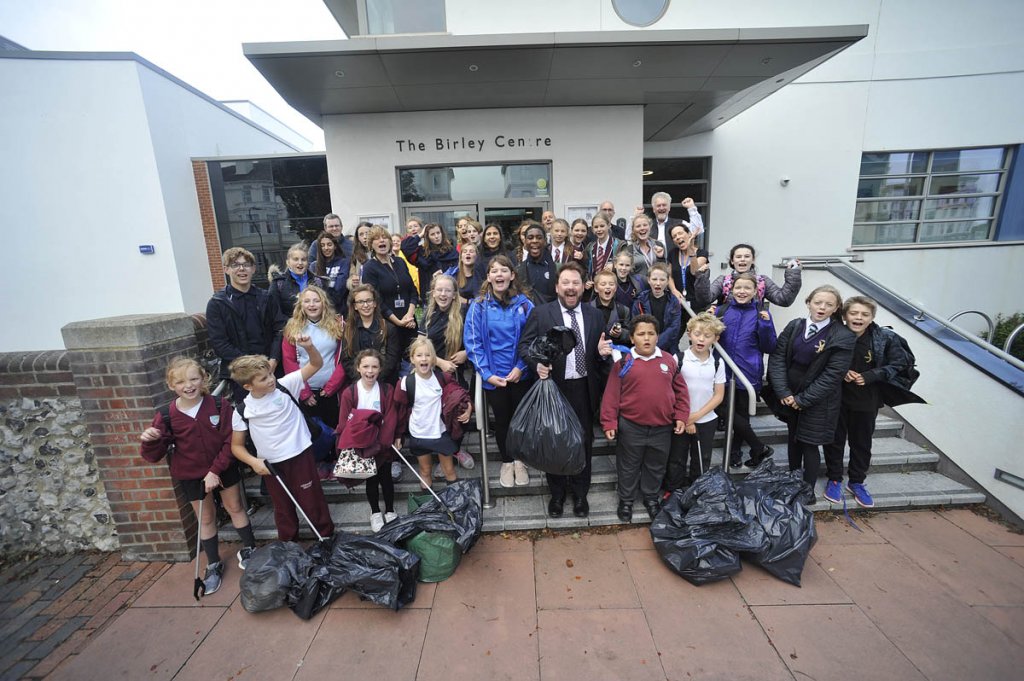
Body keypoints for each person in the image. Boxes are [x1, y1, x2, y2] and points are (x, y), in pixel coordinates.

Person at [140, 358, 256, 594]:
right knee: (205, 518)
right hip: (191, 475)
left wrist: (215, 470)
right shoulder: (166, 415)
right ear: (171, 385)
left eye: (194, 379)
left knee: (235, 507)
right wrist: (151, 441)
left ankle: (250, 549)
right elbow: (153, 455)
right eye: (181, 381)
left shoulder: (219, 405)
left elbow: (229, 441)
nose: (189, 385)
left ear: (204, 378)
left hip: (223, 468)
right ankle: (213, 564)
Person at [519, 262, 613, 518]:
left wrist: (604, 355)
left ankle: (581, 495)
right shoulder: (541, 313)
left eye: (576, 283)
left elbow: (600, 352)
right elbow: (525, 346)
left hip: (584, 388)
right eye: (566, 283)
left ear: (583, 287)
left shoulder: (595, 315)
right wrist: (537, 364)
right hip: (554, 388)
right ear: (557, 286)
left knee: (583, 443)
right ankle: (558, 495)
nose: (571, 288)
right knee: (555, 443)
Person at [822, 296, 924, 508]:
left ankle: (857, 482)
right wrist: (841, 372)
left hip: (867, 400)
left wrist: (871, 375)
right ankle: (834, 479)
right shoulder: (834, 333)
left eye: (864, 314)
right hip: (836, 398)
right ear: (844, 315)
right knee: (834, 440)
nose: (858, 318)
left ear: (872, 317)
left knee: (861, 442)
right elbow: (819, 361)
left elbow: (901, 363)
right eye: (854, 313)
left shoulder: (884, 337)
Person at [229, 342, 335, 542]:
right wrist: (253, 462)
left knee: (312, 501)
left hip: (300, 456)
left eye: (270, 374)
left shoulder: (285, 386)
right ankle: (288, 546)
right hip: (270, 465)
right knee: (283, 507)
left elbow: (316, 364)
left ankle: (326, 539)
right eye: (263, 378)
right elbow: (236, 445)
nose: (270, 380)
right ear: (248, 386)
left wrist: (310, 347)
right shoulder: (243, 410)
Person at [601, 315, 689, 522]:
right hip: (631, 427)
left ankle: (651, 497)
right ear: (632, 338)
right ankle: (626, 500)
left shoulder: (668, 360)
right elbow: (611, 395)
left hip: (662, 427)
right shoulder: (624, 362)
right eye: (641, 334)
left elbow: (681, 392)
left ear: (657, 337)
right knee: (628, 465)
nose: (646, 338)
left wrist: (681, 416)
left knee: (656, 464)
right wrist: (609, 422)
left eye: (651, 334)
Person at [767, 285, 855, 490]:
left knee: (809, 443)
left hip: (818, 400)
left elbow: (832, 375)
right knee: (793, 439)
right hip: (790, 394)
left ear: (836, 308)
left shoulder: (843, 335)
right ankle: (792, 480)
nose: (822, 307)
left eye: (829, 304)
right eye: (818, 302)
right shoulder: (794, 325)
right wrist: (784, 392)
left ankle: (807, 489)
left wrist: (802, 400)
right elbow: (778, 358)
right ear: (808, 303)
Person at [464, 255, 535, 488]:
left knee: (521, 421)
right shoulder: (478, 306)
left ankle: (520, 461)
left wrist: (520, 367)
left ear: (512, 275)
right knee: (502, 420)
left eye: (504, 270)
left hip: (520, 374)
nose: (499, 275)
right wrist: (486, 373)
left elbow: (533, 339)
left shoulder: (525, 305)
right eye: (494, 271)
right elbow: (473, 343)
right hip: (494, 377)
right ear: (488, 277)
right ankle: (507, 461)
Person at [322, 284, 403, 480]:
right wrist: (362, 378)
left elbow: (392, 358)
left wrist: (374, 377)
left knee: (387, 423)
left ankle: (392, 459)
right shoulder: (349, 330)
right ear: (355, 306)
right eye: (360, 302)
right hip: (359, 387)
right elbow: (347, 359)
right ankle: (364, 457)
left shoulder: (388, 328)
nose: (365, 305)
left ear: (375, 303)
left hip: (384, 387)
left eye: (368, 300)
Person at [714, 273, 777, 468]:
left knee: (741, 413)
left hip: (747, 371)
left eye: (747, 288)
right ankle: (758, 447)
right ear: (731, 290)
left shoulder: (761, 313)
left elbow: (769, 346)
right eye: (738, 287)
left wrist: (766, 325)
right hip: (722, 370)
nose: (742, 291)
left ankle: (734, 452)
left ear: (755, 291)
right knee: (723, 408)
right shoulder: (721, 310)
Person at [207, 247, 285, 404]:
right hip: (242, 374)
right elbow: (219, 343)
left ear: (254, 269)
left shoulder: (266, 297)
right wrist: (251, 366)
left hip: (271, 368)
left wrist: (274, 359)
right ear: (226, 269)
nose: (242, 269)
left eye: (246, 264)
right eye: (235, 264)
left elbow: (280, 329)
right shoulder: (217, 303)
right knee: (250, 418)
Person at [394, 338, 473, 492]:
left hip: (440, 431)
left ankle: (454, 504)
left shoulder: (442, 378)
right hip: (419, 433)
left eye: (427, 355)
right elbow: (400, 411)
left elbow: (461, 395)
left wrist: (469, 407)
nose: (423, 359)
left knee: (449, 470)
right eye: (419, 355)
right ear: (412, 359)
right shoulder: (405, 383)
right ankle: (429, 508)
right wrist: (398, 435)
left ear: (434, 359)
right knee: (425, 471)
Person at [336, 349, 399, 531]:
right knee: (371, 480)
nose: (370, 371)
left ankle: (390, 510)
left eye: (374, 367)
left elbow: (391, 417)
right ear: (358, 368)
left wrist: (385, 442)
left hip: (382, 444)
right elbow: (344, 422)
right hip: (361, 444)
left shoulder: (387, 390)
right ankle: (375, 512)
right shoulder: (350, 393)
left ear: (380, 369)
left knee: (386, 478)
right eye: (365, 366)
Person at [663, 313, 726, 493]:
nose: (701, 339)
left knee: (701, 458)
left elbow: (719, 395)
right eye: (698, 334)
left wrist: (695, 417)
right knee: (677, 457)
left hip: (706, 419)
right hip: (680, 418)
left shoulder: (717, 362)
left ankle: (697, 492)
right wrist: (685, 418)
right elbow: (670, 390)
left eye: (707, 336)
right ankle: (673, 491)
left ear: (716, 338)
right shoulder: (678, 359)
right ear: (689, 334)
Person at [422, 273, 476, 472]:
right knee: (437, 415)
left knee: (460, 411)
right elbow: (418, 347)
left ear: (454, 294)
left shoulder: (465, 312)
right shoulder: (427, 315)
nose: (443, 294)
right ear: (433, 292)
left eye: (447, 290)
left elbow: (477, 339)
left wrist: (466, 353)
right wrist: (439, 362)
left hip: (457, 373)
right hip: (431, 372)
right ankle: (445, 454)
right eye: (439, 290)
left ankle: (456, 450)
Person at [280, 286, 346, 433]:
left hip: (331, 391)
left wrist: (331, 387)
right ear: (301, 305)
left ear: (323, 303)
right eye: (307, 301)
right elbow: (289, 361)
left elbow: (344, 357)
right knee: (311, 433)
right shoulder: (292, 327)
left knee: (334, 430)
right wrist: (304, 392)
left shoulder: (338, 324)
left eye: (316, 301)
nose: (312, 305)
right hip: (306, 392)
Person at [361, 225, 419, 357]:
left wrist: (409, 316)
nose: (382, 241)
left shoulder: (400, 262)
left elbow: (413, 291)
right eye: (376, 238)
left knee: (413, 360)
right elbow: (376, 300)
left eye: (384, 237)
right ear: (371, 245)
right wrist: (398, 322)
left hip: (410, 322)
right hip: (388, 324)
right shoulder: (369, 267)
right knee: (393, 362)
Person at [695, 243, 802, 311]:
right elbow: (704, 300)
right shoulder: (723, 281)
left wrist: (793, 274)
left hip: (753, 333)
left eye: (747, 256)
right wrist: (702, 278)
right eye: (738, 257)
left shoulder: (762, 281)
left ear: (753, 259)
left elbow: (783, 300)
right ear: (732, 261)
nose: (742, 259)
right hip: (726, 331)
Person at [631, 262, 682, 353]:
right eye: (654, 279)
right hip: (644, 346)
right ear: (648, 280)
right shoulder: (639, 301)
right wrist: (649, 343)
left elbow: (674, 327)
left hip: (668, 348)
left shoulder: (674, 302)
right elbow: (635, 324)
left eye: (662, 280)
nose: (658, 283)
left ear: (667, 281)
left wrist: (656, 344)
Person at [666, 223, 709, 318]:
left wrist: (690, 249)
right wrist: (674, 290)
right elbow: (669, 275)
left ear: (689, 234)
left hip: (696, 303)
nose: (677, 237)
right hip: (678, 301)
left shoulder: (702, 253)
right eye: (674, 236)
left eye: (680, 233)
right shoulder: (673, 253)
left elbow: (694, 271)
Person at [403, 222, 457, 297]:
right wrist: (421, 235)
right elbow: (405, 247)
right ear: (427, 237)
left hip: (449, 294)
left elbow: (457, 270)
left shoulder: (451, 251)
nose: (436, 236)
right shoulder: (422, 253)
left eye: (438, 233)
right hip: (429, 294)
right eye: (432, 234)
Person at [629, 194, 704, 244]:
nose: (661, 208)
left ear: (669, 208)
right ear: (653, 209)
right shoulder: (647, 225)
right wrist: (635, 217)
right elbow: (628, 236)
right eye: (658, 205)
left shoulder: (679, 223)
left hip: (674, 265)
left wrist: (691, 208)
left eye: (664, 205)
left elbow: (698, 230)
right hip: (652, 266)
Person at [269, 242, 316, 320]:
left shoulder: (318, 282)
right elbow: (274, 315)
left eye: (303, 259)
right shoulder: (277, 284)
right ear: (288, 262)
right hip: (290, 330)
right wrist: (292, 328)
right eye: (296, 259)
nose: (300, 263)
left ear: (307, 262)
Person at [309, 230, 351, 317]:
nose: (326, 248)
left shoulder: (344, 263)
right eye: (322, 245)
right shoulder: (314, 266)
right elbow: (313, 291)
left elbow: (340, 289)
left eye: (329, 244)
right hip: (319, 314)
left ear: (335, 246)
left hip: (339, 312)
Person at [517, 222, 558, 304]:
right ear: (525, 241)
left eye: (539, 238)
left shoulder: (556, 268)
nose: (534, 241)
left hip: (551, 314)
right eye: (530, 238)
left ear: (545, 241)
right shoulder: (518, 270)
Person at [590, 269, 632, 347]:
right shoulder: (587, 309)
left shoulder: (624, 310)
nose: (608, 287)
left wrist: (621, 333)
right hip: (592, 354)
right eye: (603, 284)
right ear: (596, 288)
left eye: (611, 284)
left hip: (615, 355)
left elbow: (630, 335)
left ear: (615, 288)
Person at [623, 214, 666, 280]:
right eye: (638, 226)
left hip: (658, 286)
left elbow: (665, 268)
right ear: (633, 230)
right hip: (639, 288)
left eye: (645, 225)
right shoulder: (629, 250)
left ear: (650, 227)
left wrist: (661, 258)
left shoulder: (658, 245)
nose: (642, 228)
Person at [585, 212, 624, 281]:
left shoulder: (619, 245)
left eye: (602, 226)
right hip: (594, 288)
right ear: (592, 229)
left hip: (613, 287)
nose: (599, 229)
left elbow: (626, 265)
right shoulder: (590, 247)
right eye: (596, 227)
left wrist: (614, 267)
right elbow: (586, 268)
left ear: (609, 225)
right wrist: (586, 280)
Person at [349, 221, 372, 286]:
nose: (365, 237)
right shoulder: (356, 255)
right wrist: (352, 282)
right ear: (358, 238)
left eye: (367, 233)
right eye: (361, 234)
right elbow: (352, 276)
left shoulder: (381, 253)